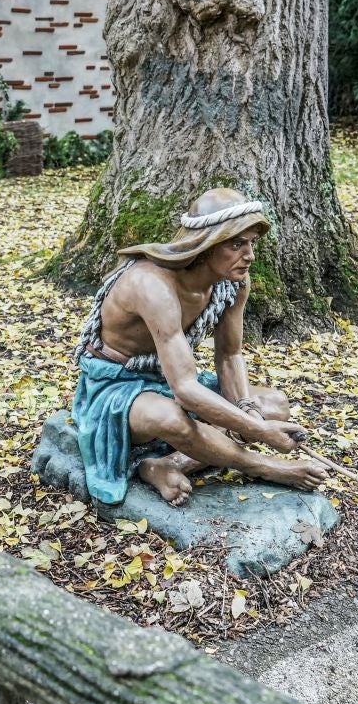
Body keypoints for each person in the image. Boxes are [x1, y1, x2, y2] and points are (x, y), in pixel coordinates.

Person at [72, 188, 328, 507]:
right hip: (118, 385)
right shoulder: (153, 286)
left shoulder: (232, 282)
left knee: (273, 405)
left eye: (251, 243)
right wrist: (260, 434)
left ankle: (166, 464)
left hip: (169, 378)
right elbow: (186, 390)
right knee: (169, 418)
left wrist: (248, 411)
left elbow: (230, 354)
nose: (249, 255)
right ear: (205, 245)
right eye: (236, 244)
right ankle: (262, 466)